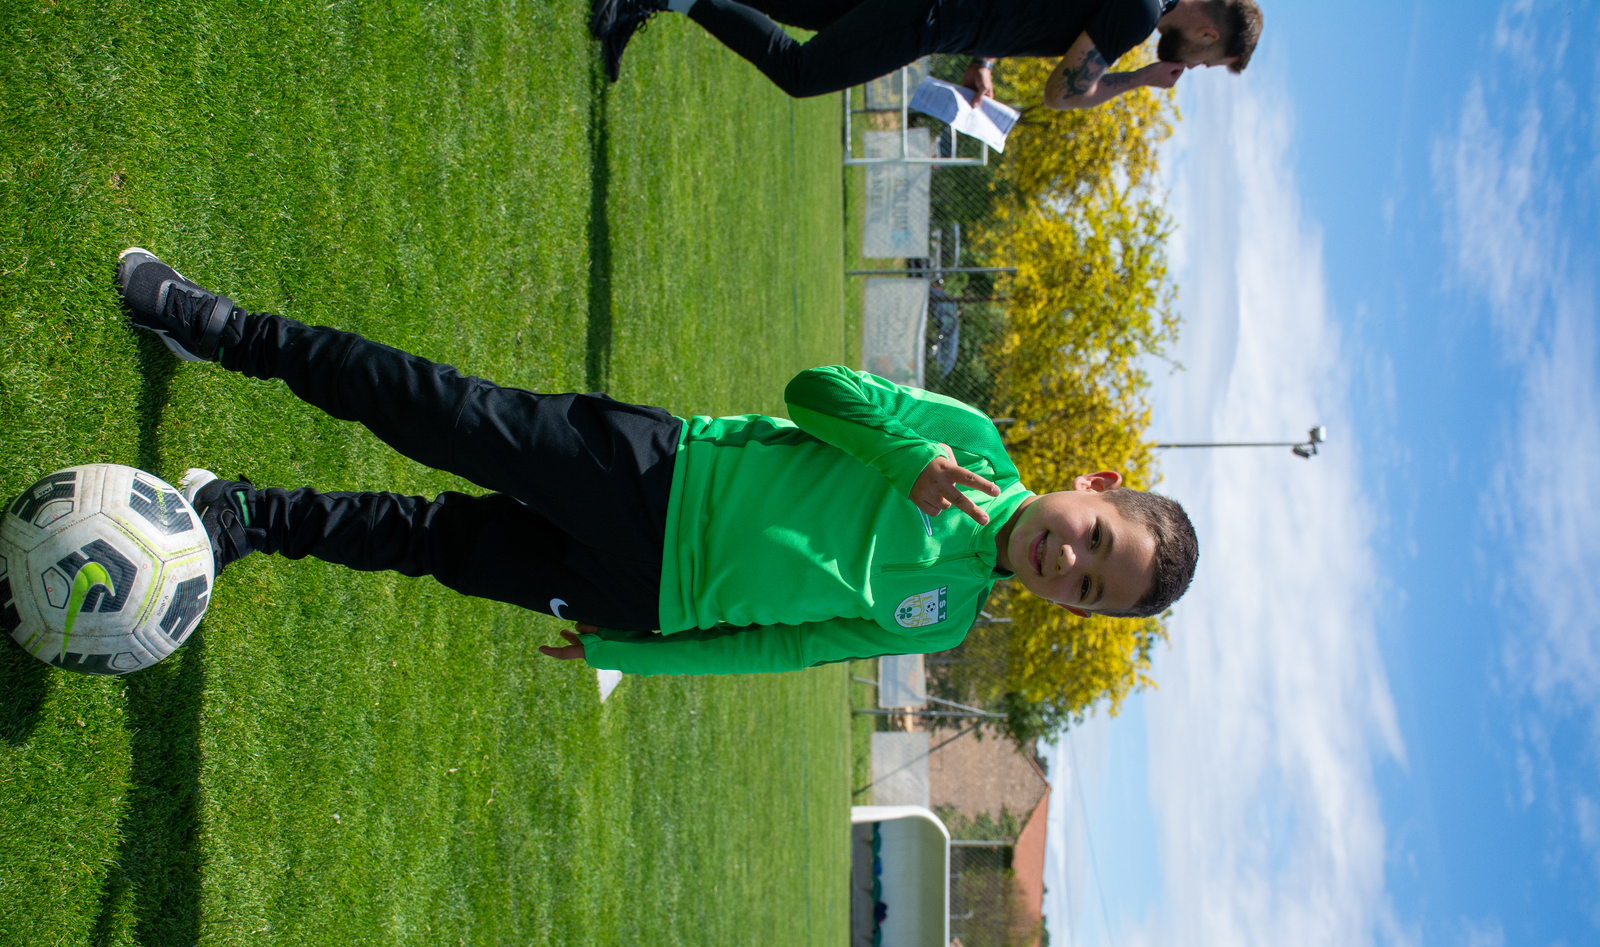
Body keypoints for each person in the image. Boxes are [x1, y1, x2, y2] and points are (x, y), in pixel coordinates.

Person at [113, 247, 1197, 677]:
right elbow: (812, 392)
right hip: (658, 475)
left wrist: (634, 651)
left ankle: (244, 516)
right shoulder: (971, 444)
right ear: (1094, 488)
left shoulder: (943, 619)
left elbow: (786, 647)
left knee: (436, 544)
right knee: (440, 413)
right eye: (1096, 539)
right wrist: (902, 452)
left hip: (645, 594)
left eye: (1090, 589)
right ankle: (227, 332)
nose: (1070, 562)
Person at [589, 0, 1261, 110]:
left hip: (947, 14)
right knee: (802, 73)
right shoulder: (1139, 13)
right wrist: (1137, 78)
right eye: (1207, 61)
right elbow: (1061, 93)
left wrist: (984, 59)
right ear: (1209, 35)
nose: (1193, 67)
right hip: (928, 14)